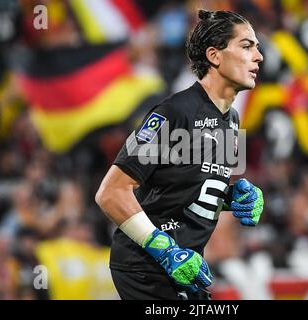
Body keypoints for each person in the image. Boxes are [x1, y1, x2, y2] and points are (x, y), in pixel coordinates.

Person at [95, 9, 265, 300]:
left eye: (257, 48)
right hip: (145, 266)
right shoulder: (173, 114)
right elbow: (111, 193)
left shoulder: (232, 120)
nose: (259, 56)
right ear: (214, 56)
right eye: (247, 46)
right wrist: (165, 251)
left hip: (186, 266)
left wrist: (232, 198)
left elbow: (185, 191)